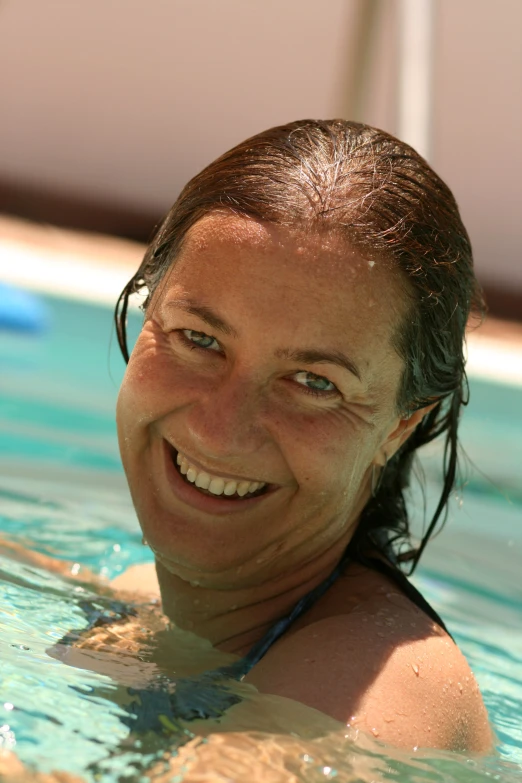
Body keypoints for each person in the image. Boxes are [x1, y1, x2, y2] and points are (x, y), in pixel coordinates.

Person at [0, 121, 492, 777]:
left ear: (402, 424)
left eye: (315, 383)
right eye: (200, 338)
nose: (220, 430)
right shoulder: (172, 604)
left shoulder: (373, 689)